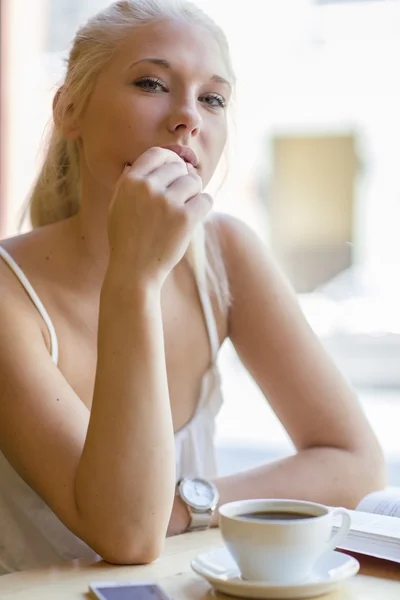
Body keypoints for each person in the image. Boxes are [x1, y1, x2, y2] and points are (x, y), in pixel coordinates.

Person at [0, 0, 385, 575]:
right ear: (70, 108)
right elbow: (128, 533)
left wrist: (186, 505)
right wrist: (135, 277)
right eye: (152, 83)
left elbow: (356, 467)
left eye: (212, 98)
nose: (189, 118)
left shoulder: (226, 252)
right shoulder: (10, 294)